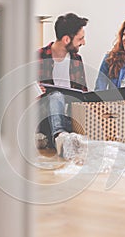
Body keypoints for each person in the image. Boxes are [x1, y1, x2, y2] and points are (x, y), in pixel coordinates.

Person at [37, 12, 89, 156]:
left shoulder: (77, 60)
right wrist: (35, 91)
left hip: (68, 115)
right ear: (66, 39)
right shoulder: (39, 56)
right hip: (43, 114)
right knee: (56, 96)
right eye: (80, 38)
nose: (83, 42)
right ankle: (60, 137)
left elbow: (83, 93)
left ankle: (54, 138)